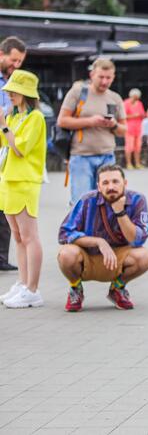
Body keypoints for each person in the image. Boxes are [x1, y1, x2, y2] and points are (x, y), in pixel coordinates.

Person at [58, 164, 148, 312]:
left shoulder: (137, 200)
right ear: (99, 186)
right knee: (66, 254)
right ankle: (75, 288)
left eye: (115, 181)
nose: (111, 187)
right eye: (105, 183)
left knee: (144, 256)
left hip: (119, 258)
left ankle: (117, 288)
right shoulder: (87, 200)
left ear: (125, 183)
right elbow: (65, 233)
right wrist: (98, 242)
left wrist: (120, 212)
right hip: (88, 256)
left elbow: (137, 240)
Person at [0, 70, 47, 308]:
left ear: (26, 93)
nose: (9, 94)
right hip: (8, 179)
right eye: (8, 90)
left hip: (26, 180)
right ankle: (22, 283)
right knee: (18, 237)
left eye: (13, 91)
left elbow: (19, 149)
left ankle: (33, 289)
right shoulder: (12, 116)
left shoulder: (35, 117)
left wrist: (3, 127)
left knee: (29, 236)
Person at [57, 58, 127, 205]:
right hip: (81, 156)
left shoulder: (115, 98)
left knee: (108, 203)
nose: (104, 81)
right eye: (101, 77)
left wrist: (113, 124)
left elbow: (123, 130)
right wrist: (91, 121)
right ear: (92, 75)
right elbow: (62, 121)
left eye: (108, 78)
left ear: (113, 77)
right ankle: (82, 229)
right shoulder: (78, 93)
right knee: (82, 203)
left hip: (107, 156)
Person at [0, 36, 26, 272]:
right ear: (2, 53)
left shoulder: (10, 81)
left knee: (4, 204)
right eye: (14, 59)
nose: (16, 65)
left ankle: (1, 258)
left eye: (20, 61)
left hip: (3, 147)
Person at [123, 88, 146, 169]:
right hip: (129, 128)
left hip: (138, 128)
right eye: (134, 97)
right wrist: (134, 115)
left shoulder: (139, 103)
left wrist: (141, 115)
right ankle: (129, 163)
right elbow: (123, 116)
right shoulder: (126, 103)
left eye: (137, 97)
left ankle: (137, 163)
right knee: (129, 147)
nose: (136, 98)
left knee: (138, 147)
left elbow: (143, 114)